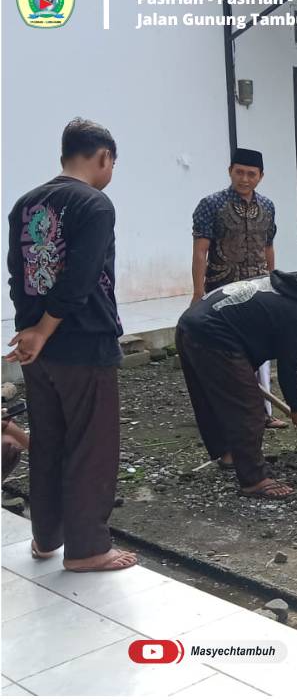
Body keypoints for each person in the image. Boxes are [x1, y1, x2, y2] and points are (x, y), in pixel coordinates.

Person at [5, 117, 137, 573]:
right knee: (92, 445)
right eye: (112, 163)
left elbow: (17, 276)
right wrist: (43, 329)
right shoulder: (95, 204)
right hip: (82, 341)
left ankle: (46, 539)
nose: (110, 171)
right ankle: (86, 549)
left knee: (48, 441)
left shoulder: (25, 203)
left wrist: (30, 330)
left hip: (38, 349)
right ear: (103, 157)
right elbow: (79, 279)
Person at [176, 269, 297, 500]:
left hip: (190, 323)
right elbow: (289, 368)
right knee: (250, 409)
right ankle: (254, 480)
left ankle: (230, 455)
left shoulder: (285, 289)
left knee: (214, 398)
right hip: (212, 334)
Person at [191, 148, 286, 429]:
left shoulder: (267, 206)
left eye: (251, 174)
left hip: (259, 288)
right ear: (230, 170)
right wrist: (198, 292)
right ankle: (229, 416)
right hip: (223, 288)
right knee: (226, 354)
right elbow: (200, 252)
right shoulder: (210, 204)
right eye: (239, 172)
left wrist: (273, 281)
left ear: (260, 176)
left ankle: (264, 413)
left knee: (261, 351)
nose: (244, 179)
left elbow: (268, 247)